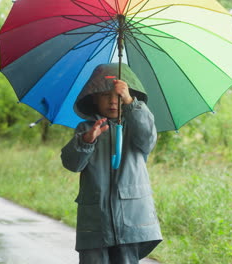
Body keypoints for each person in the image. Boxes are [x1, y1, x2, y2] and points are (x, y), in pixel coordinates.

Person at [60, 63, 162, 264]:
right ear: (94, 99)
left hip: (131, 217)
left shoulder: (135, 124)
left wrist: (130, 102)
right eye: (105, 95)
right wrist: (87, 140)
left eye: (117, 96)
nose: (112, 101)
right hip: (95, 220)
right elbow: (72, 164)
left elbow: (147, 139)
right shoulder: (86, 128)